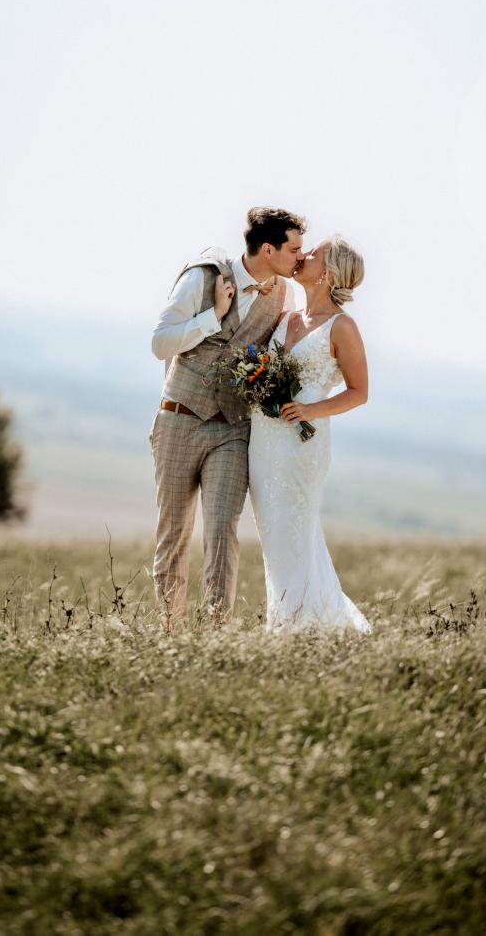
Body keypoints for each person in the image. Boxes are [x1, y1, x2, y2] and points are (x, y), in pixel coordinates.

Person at [150, 207, 304, 626]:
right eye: (294, 249)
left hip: (233, 430)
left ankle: (215, 634)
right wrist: (212, 317)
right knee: (174, 535)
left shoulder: (285, 295)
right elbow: (160, 343)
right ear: (268, 249)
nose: (300, 257)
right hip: (180, 418)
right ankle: (170, 632)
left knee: (222, 530)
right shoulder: (202, 276)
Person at [248, 236, 372, 632]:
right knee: (274, 540)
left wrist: (311, 409)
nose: (302, 256)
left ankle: (300, 629)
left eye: (312, 254)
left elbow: (359, 392)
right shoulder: (286, 318)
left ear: (330, 272)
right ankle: (291, 623)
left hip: (302, 445)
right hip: (263, 444)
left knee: (297, 537)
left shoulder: (342, 327)